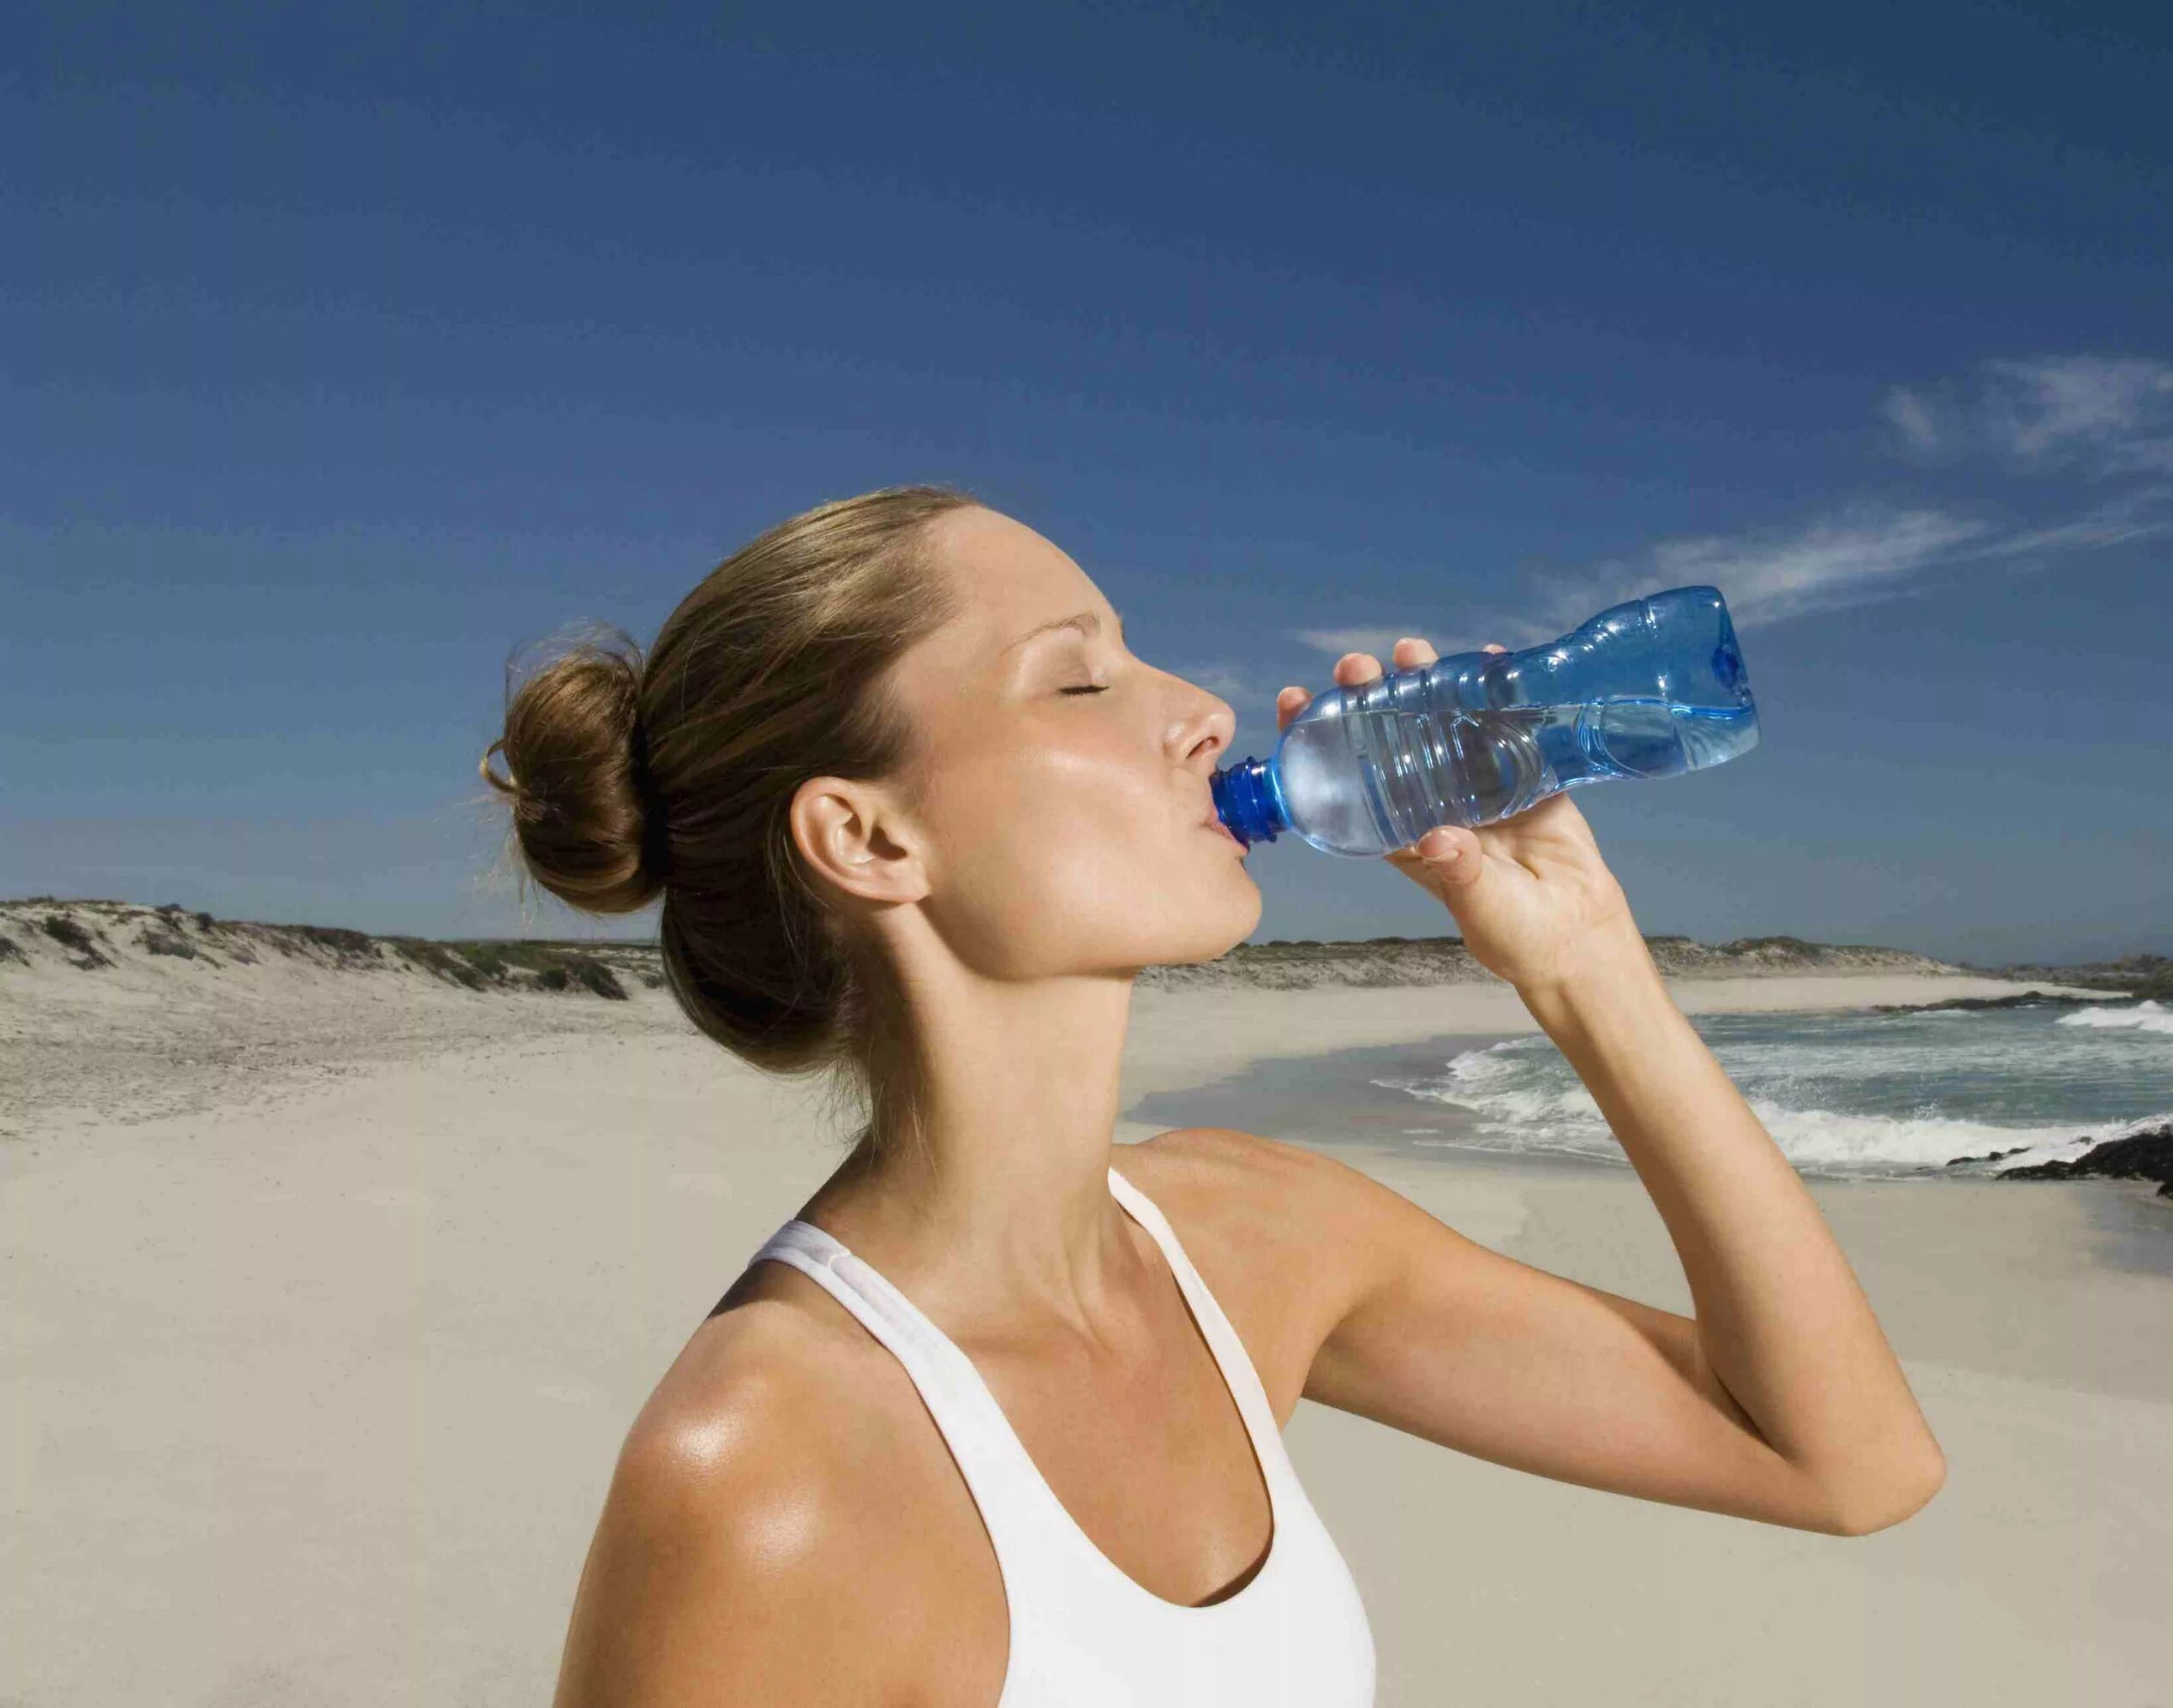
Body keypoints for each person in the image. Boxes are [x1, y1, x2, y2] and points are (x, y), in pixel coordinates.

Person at [482, 484, 1945, 1706]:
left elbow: (1842, 1458)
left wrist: (1586, 969)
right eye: (1083, 675)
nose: (1201, 708)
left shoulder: (1250, 1232)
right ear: (865, 836)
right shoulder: (768, 1468)